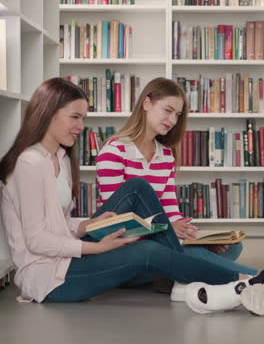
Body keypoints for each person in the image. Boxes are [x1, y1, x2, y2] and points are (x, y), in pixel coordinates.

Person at [0, 77, 263, 315]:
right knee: (142, 208)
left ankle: (224, 280)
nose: (82, 126)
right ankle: (248, 281)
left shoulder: (59, 158)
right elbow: (36, 240)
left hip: (69, 258)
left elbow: (57, 222)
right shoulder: (29, 163)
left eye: (83, 118)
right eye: (75, 117)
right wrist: (97, 246)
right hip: (47, 278)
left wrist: (84, 225)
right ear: (48, 113)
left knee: (169, 247)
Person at [95, 77, 255, 301]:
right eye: (168, 110)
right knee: (189, 253)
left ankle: (175, 275)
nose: (172, 120)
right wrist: (168, 228)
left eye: (177, 115)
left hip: (160, 239)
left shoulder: (165, 155)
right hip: (126, 247)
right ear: (147, 103)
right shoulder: (114, 151)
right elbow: (117, 221)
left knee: (231, 248)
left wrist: (195, 235)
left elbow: (171, 209)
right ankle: (253, 280)